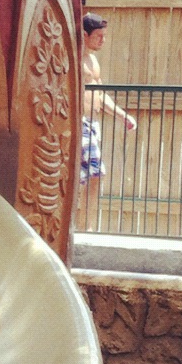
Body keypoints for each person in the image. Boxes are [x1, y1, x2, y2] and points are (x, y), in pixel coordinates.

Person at [80, 12, 137, 225]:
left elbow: (100, 95)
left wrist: (123, 115)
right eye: (98, 36)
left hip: (93, 124)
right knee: (92, 175)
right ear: (84, 35)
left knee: (92, 177)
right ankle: (81, 228)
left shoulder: (93, 61)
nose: (103, 40)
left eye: (104, 36)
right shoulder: (74, 59)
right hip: (79, 124)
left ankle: (85, 226)